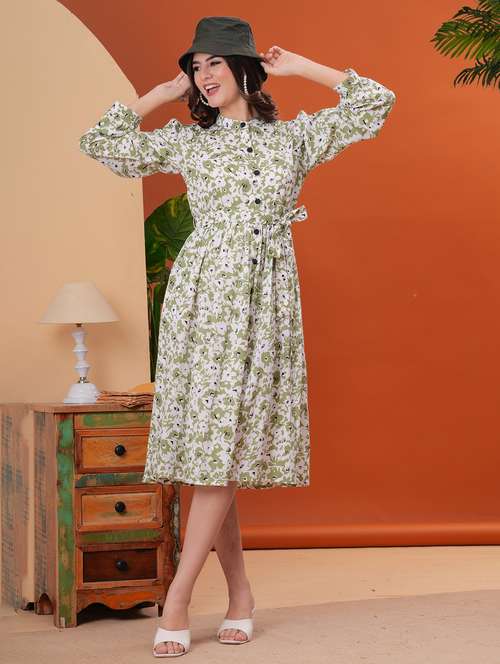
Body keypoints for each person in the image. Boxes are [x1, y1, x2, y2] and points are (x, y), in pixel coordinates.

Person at [79, 15, 396, 658]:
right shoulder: (190, 144)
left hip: (266, 303)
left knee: (220, 454)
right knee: (212, 452)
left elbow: (375, 102)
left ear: (245, 68)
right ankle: (198, 597)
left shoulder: (295, 139)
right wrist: (161, 94)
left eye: (214, 63)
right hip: (203, 303)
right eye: (195, 67)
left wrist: (301, 67)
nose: (203, 76)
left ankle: (215, 595)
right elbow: (99, 141)